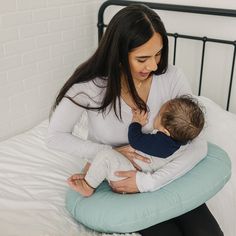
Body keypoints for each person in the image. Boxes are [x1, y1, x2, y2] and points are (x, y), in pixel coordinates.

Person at [47, 4, 223, 236]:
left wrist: (148, 182)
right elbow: (55, 137)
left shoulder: (171, 77)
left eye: (158, 54)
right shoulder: (89, 87)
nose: (153, 65)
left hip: (164, 175)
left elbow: (197, 143)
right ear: (119, 54)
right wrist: (109, 152)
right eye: (142, 58)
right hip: (123, 180)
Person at [67, 95, 205, 197]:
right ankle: (93, 175)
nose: (156, 115)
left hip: (126, 175)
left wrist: (136, 123)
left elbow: (135, 140)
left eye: (159, 114)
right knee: (106, 160)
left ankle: (88, 185)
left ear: (165, 131)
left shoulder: (160, 143)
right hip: (132, 172)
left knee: (105, 156)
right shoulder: (182, 141)